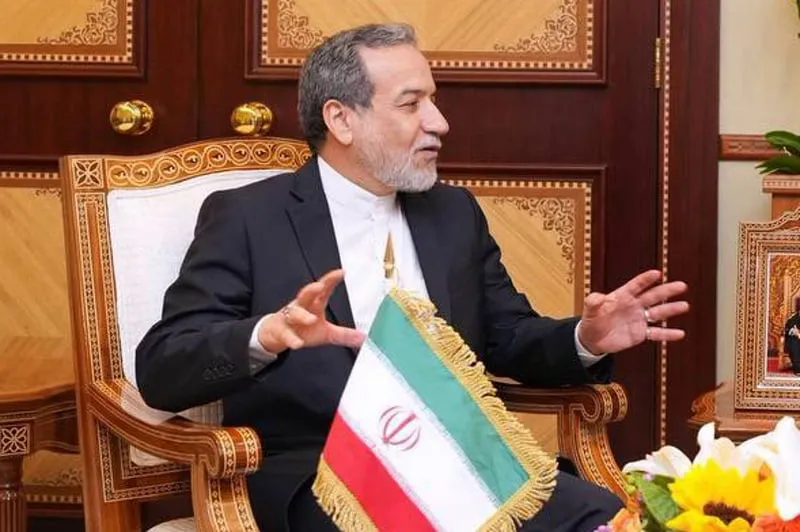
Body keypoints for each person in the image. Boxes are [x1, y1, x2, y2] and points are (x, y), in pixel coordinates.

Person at [136, 23, 690, 532]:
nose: (439, 122)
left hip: (463, 465)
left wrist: (585, 339)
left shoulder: (452, 214)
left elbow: (508, 338)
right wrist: (265, 335)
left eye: (433, 100)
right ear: (341, 119)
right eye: (411, 104)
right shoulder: (249, 217)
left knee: (615, 520)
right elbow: (163, 367)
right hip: (325, 476)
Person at [783, 300, 800, 375]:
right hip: (796, 339)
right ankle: (798, 369)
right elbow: (788, 329)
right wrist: (795, 332)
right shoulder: (792, 318)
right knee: (793, 341)